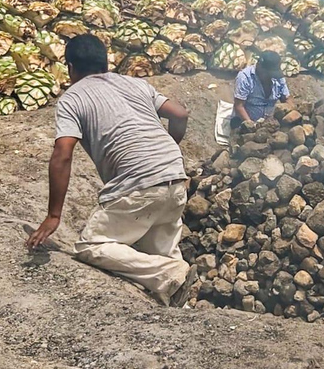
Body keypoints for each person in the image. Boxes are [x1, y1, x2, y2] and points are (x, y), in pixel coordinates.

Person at [26, 34, 197, 307]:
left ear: (70, 67)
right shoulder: (135, 84)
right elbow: (180, 114)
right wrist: (168, 147)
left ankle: (169, 275)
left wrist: (53, 215)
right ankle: (179, 305)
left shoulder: (73, 98)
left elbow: (62, 154)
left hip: (138, 186)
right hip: (175, 178)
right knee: (162, 251)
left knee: (91, 246)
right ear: (105, 62)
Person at [232, 51, 293, 128]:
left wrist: (291, 113)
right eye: (269, 74)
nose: (271, 76)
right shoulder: (245, 78)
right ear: (259, 66)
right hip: (247, 123)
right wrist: (251, 126)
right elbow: (239, 106)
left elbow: (287, 99)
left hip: (270, 124)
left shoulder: (278, 78)